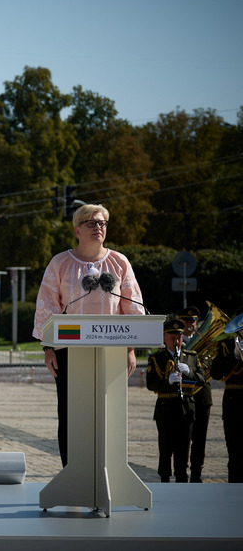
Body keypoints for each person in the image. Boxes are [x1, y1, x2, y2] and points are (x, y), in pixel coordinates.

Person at [32, 203, 143, 466]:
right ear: (77, 230)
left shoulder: (119, 262)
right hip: (68, 353)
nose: (98, 228)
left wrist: (130, 349)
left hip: (112, 351)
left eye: (102, 223)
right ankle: (72, 473)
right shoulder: (60, 263)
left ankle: (108, 471)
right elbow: (48, 306)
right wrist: (48, 348)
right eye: (92, 223)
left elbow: (133, 307)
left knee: (108, 414)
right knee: (71, 416)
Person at [146, 319, 205, 482]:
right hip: (165, 410)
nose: (176, 341)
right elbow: (150, 384)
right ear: (164, 338)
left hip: (186, 409)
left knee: (183, 452)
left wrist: (190, 373)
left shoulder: (191, 357)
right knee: (165, 451)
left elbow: (202, 379)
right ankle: (164, 482)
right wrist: (168, 382)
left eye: (178, 337)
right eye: (172, 337)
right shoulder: (157, 358)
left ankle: (182, 483)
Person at [177, 305, 211, 482]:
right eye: (187, 321)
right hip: (184, 395)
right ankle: (181, 475)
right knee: (183, 438)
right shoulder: (176, 341)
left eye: (194, 321)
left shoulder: (206, 341)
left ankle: (197, 474)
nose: (191, 324)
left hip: (202, 395)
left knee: (200, 438)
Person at [210, 312, 243, 482]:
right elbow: (215, 373)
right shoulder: (226, 346)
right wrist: (235, 356)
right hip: (233, 402)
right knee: (235, 452)